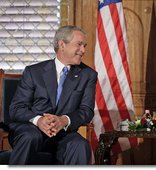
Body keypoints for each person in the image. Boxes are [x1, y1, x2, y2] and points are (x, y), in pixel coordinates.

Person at [8, 25, 98, 165]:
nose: (83, 50)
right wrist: (38, 120)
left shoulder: (88, 75)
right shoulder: (34, 72)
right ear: (62, 44)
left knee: (80, 144)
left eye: (84, 46)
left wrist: (64, 120)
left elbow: (86, 110)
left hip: (63, 133)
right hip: (31, 129)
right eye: (79, 45)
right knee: (29, 136)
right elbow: (16, 108)